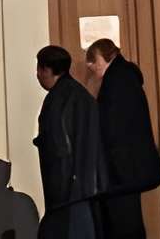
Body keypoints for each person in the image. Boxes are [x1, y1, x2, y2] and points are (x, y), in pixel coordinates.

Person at [83, 38, 160, 239]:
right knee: (128, 222)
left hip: (121, 170)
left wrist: (108, 170)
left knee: (123, 225)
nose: (91, 67)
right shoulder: (125, 76)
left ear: (104, 58)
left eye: (93, 61)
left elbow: (112, 128)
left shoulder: (116, 81)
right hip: (129, 168)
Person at [35, 43, 106, 238]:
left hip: (67, 189)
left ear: (47, 70)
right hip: (84, 185)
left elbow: (58, 146)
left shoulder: (57, 100)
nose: (37, 75)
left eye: (39, 69)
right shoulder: (79, 94)